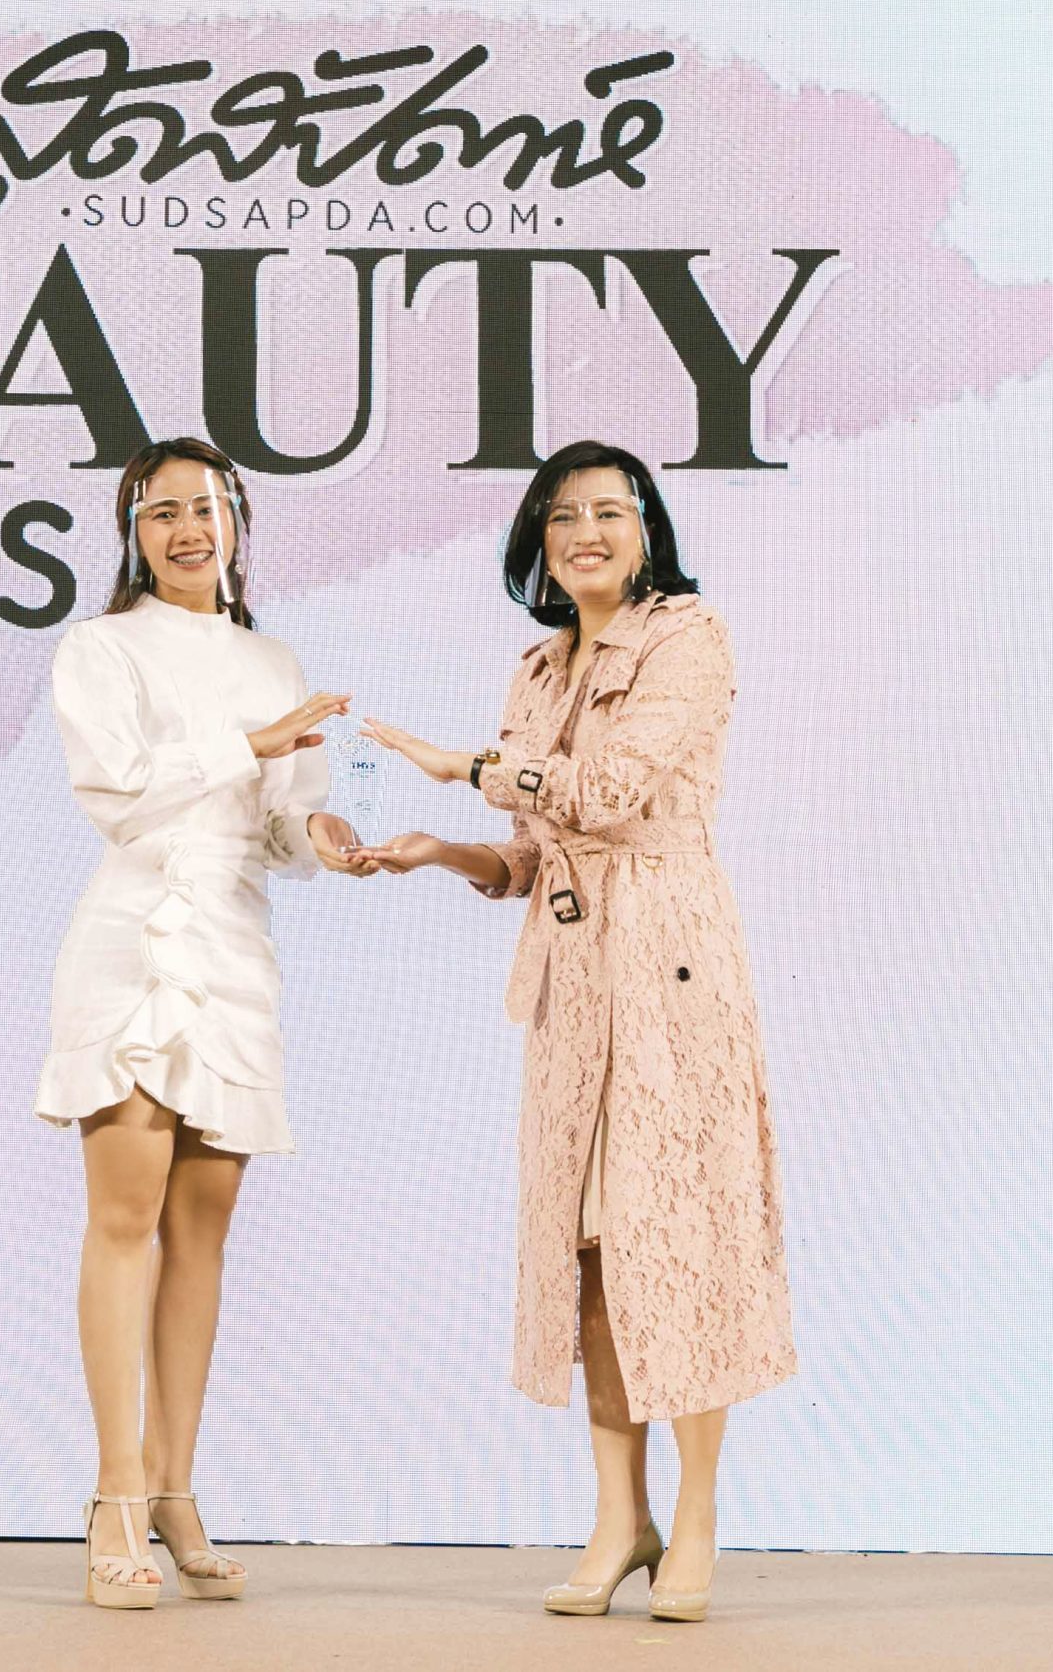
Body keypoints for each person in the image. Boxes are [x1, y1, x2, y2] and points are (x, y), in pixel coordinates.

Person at [351, 439, 796, 1622]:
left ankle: (694, 1514)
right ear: (537, 543)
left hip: (670, 964)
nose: (584, 532)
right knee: (588, 1248)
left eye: (608, 510)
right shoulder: (537, 669)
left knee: (676, 1234)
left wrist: (468, 766)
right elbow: (534, 851)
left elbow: (608, 795)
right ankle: (617, 1518)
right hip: (571, 978)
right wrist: (442, 850)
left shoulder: (687, 636)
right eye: (561, 516)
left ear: (646, 530)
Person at [35, 436, 372, 1610]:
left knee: (203, 1229)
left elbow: (276, 824)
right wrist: (251, 743)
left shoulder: (270, 659)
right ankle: (115, 1495)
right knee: (124, 1215)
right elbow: (121, 794)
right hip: (136, 941)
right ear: (132, 532)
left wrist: (320, 832)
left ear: (236, 524)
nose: (186, 529)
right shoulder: (100, 647)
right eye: (161, 511)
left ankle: (176, 1487)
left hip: (233, 945)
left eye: (205, 508)